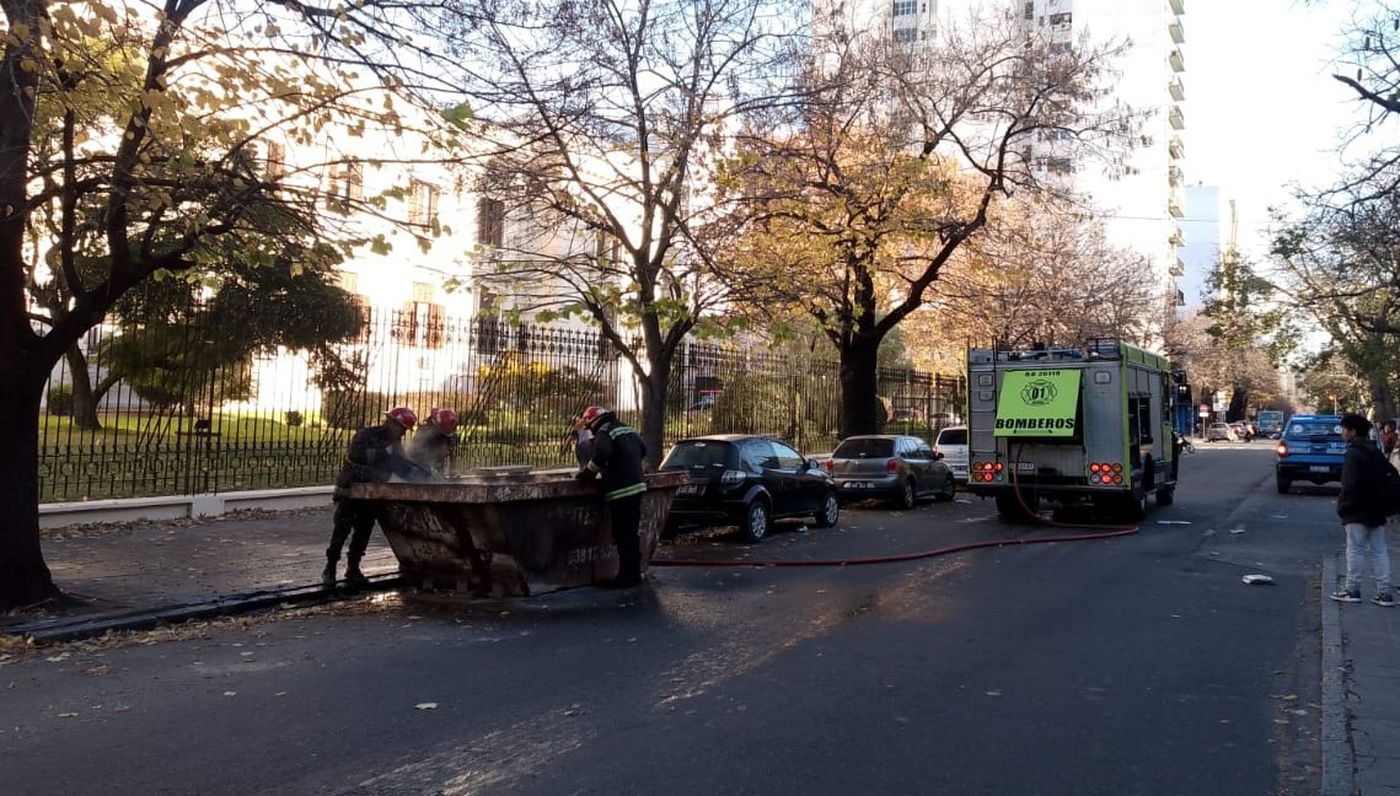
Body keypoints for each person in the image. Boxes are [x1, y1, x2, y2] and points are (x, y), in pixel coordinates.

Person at [323, 407, 418, 588]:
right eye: (402, 428)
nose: (403, 433)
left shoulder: (395, 445)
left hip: (372, 493)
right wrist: (384, 452)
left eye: (405, 430)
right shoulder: (367, 435)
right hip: (351, 489)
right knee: (342, 530)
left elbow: (402, 468)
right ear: (392, 423)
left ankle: (353, 567)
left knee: (363, 531)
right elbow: (356, 454)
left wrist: (423, 476)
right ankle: (330, 567)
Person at [573, 405, 647, 588]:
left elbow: (602, 454)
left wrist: (587, 474)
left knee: (622, 535)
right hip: (637, 486)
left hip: (621, 490)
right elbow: (643, 449)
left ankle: (626, 578)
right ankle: (634, 575)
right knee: (631, 534)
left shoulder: (604, 431)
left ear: (593, 421)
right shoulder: (626, 428)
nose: (590, 431)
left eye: (588, 427)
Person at [1330, 413, 1396, 607]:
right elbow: (1391, 475)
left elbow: (1349, 485)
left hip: (1357, 509)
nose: (1342, 433)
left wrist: (1343, 507)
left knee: (1355, 550)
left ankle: (1352, 590)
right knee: (1379, 551)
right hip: (1378, 509)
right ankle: (1385, 593)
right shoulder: (1375, 452)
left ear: (1352, 432)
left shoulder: (1353, 454)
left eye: (1344, 429)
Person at [407, 407, 460, 477]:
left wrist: (452, 471)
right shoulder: (425, 432)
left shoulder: (450, 433)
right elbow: (415, 453)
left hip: (436, 464)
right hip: (418, 466)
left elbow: (451, 451)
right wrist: (429, 468)